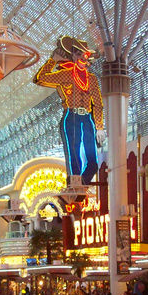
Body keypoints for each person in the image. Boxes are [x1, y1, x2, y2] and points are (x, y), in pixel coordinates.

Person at [33, 36, 104, 185]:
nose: (82, 57)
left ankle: (80, 185)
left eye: (84, 54)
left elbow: (97, 103)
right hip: (71, 117)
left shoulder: (92, 79)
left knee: (93, 162)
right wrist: (52, 60)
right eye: (78, 54)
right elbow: (40, 78)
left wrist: (99, 126)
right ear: (72, 56)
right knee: (74, 155)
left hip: (88, 119)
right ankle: (74, 184)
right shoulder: (66, 74)